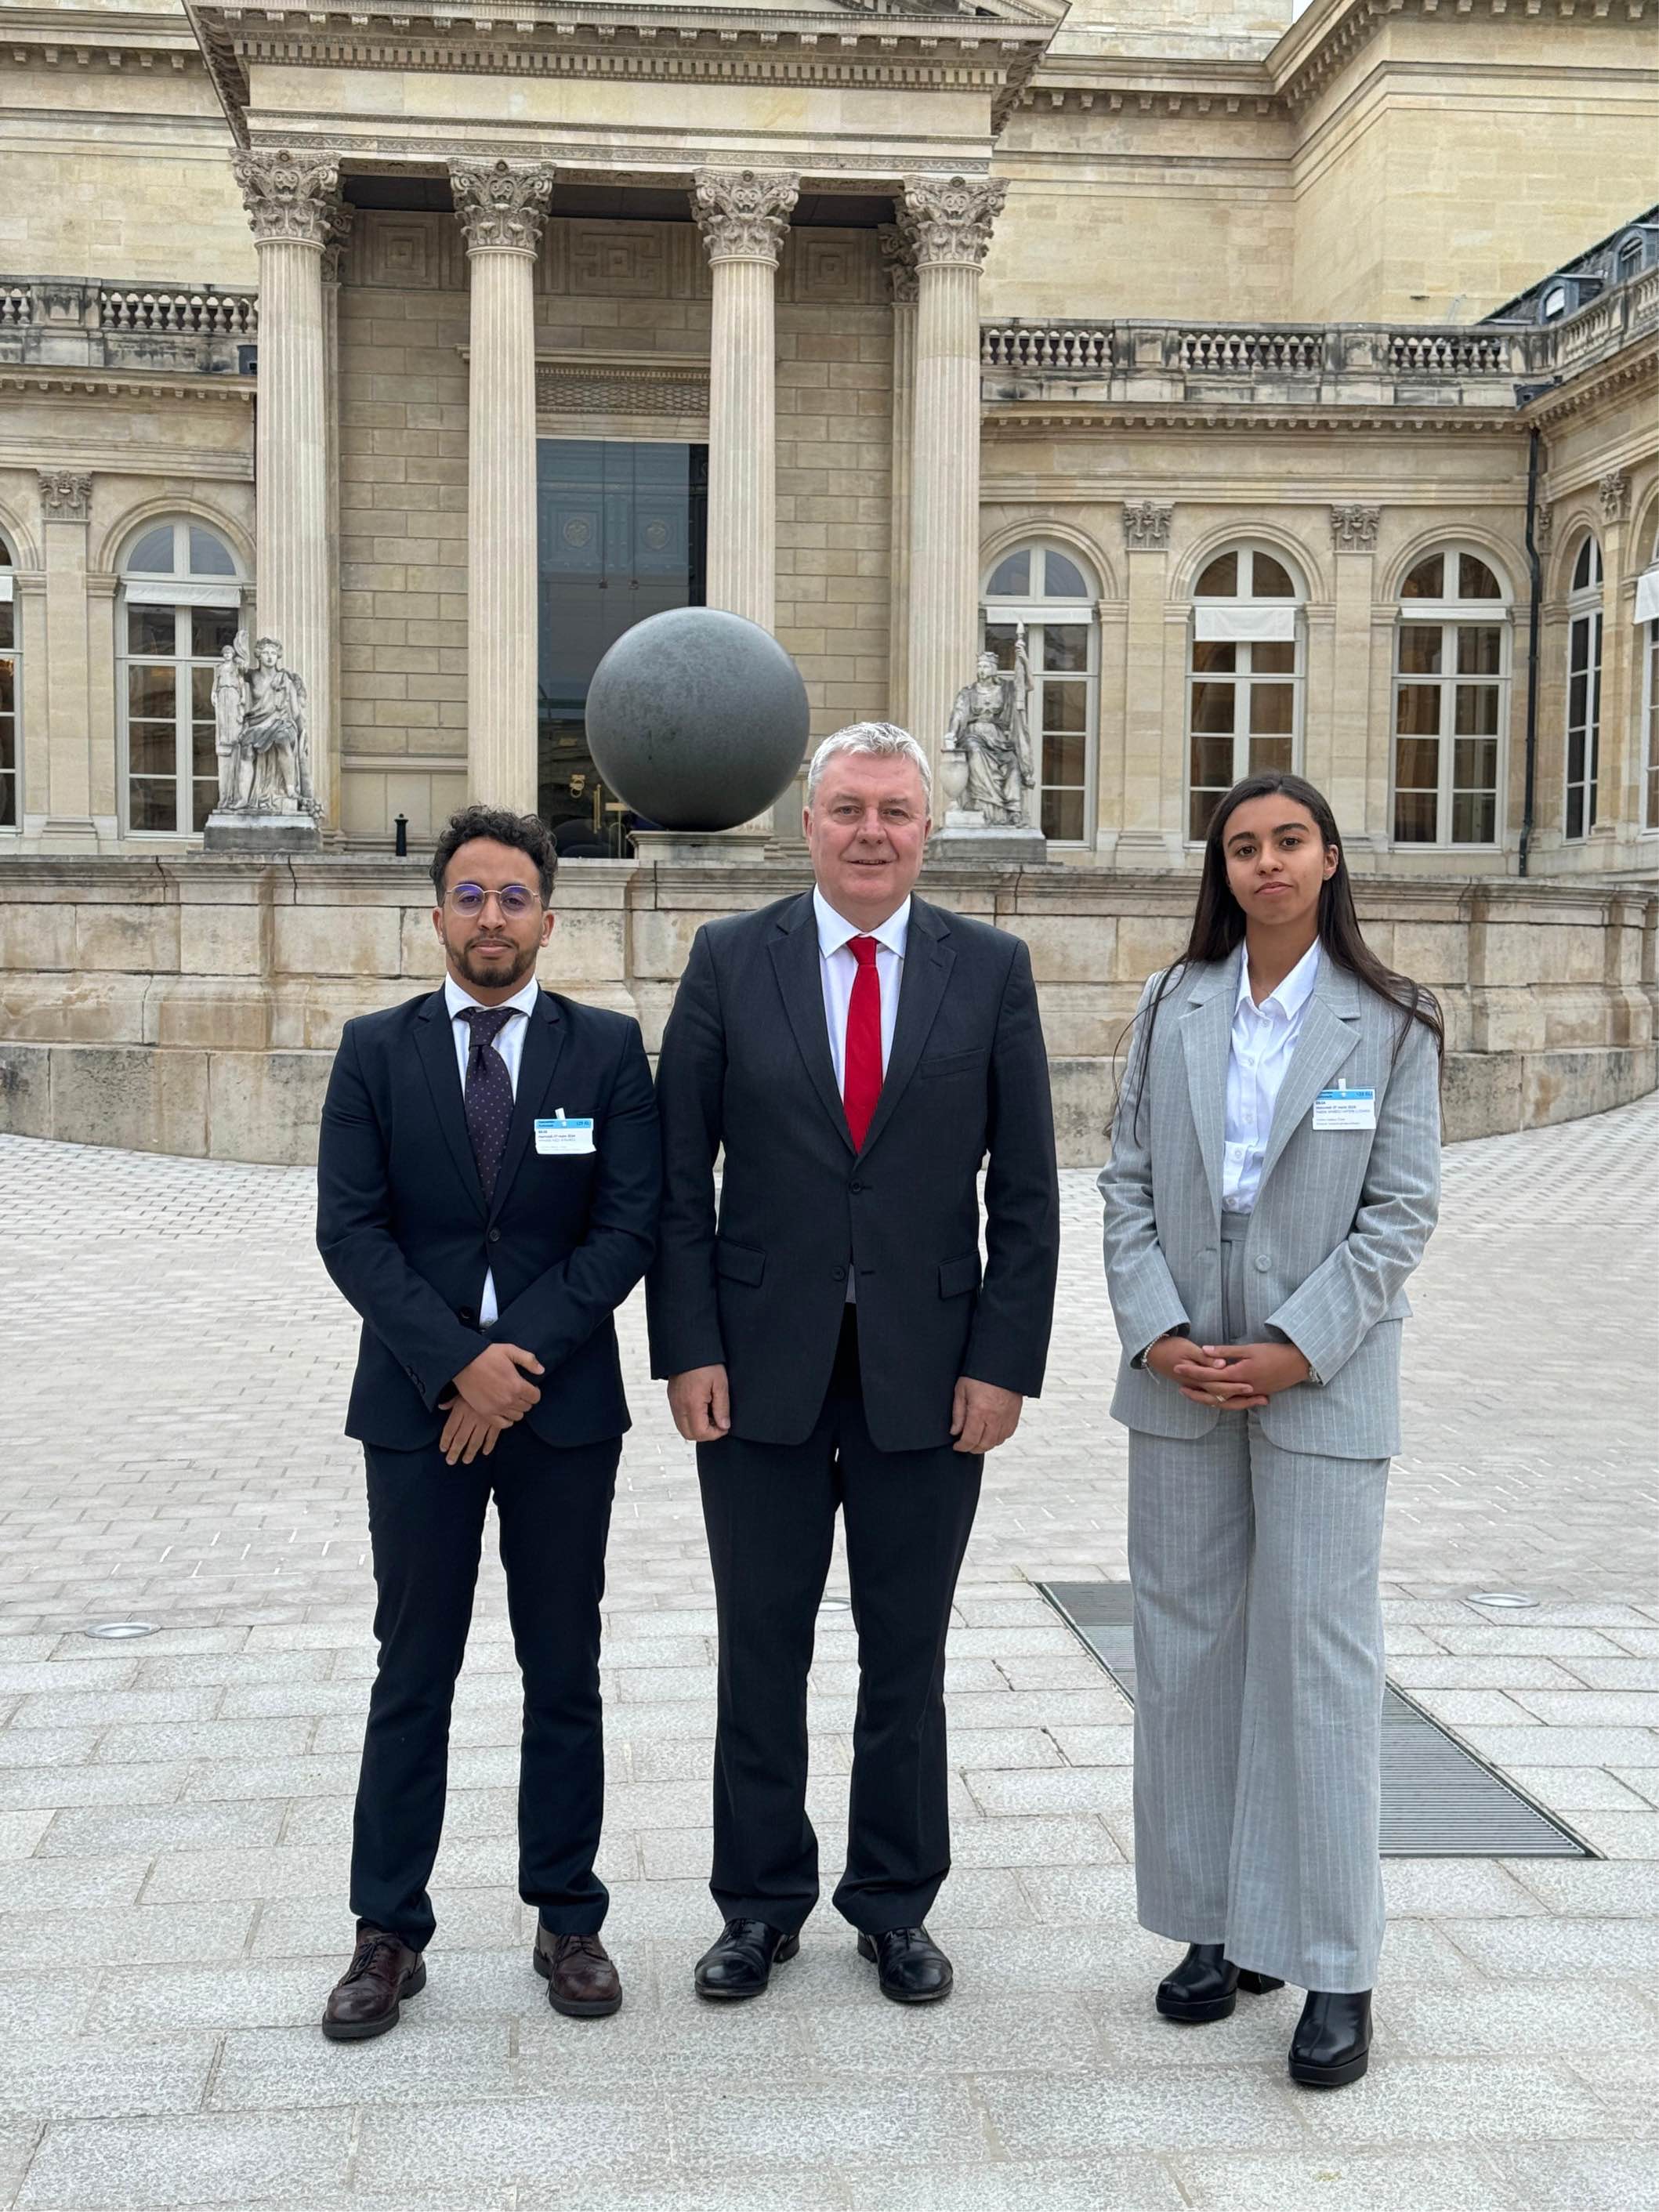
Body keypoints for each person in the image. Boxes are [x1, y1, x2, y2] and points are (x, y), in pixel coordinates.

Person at [647, 721, 1060, 2006]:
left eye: (892, 810)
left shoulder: (988, 969)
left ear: (924, 831)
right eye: (845, 809)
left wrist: (1003, 1365)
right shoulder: (729, 959)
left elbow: (1031, 1194)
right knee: (758, 1649)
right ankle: (757, 1905)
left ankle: (893, 1904)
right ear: (806, 824)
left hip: (929, 1379)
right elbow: (675, 1183)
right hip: (756, 1372)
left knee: (905, 1653)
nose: (869, 831)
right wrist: (687, 1349)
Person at [1099, 769, 1442, 2091]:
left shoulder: (1392, 1022)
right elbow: (1123, 1181)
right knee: (1184, 1658)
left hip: (1324, 1370)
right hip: (1183, 1364)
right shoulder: (1169, 1003)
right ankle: (1215, 1929)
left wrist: (1299, 1345)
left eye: (1288, 841)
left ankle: (1333, 1962)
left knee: (1315, 1665)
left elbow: (1401, 1214)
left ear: (1330, 859)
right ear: (1221, 870)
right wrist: (1157, 1330)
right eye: (1241, 847)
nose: (1266, 864)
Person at [313, 803, 660, 2040]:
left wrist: (520, 1367)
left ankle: (568, 1917)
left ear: (549, 918)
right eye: (470, 895)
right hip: (416, 1417)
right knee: (413, 1671)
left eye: (513, 897)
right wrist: (460, 1368)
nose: (491, 916)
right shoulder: (374, 1051)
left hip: (564, 1417)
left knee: (563, 1669)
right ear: (438, 913)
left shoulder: (607, 1052)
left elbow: (627, 1225)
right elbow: (350, 1232)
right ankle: (385, 1934)